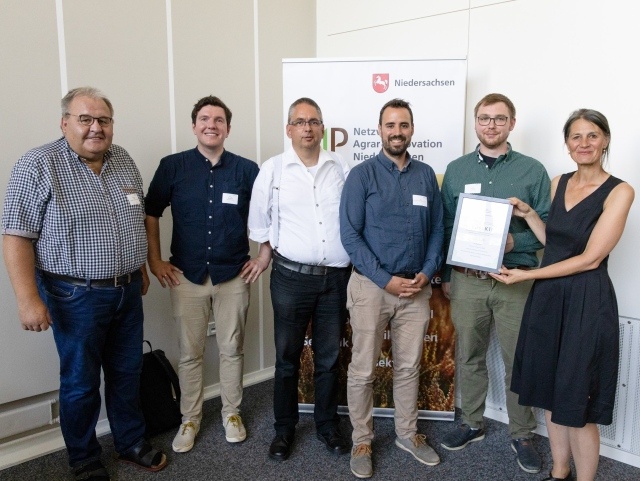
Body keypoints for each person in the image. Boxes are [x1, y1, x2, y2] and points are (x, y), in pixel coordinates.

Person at [2, 87, 167, 480]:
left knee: (128, 372)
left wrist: (139, 265)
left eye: (104, 120)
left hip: (127, 290)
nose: (96, 128)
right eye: (85, 119)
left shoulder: (123, 159)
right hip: (74, 295)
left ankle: (130, 442)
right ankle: (84, 456)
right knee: (80, 381)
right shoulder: (38, 166)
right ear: (64, 123)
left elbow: (135, 217)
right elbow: (15, 236)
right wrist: (27, 299)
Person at [491, 109, 634, 481]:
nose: (584, 143)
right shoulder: (558, 182)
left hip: (587, 300)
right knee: (551, 393)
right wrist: (529, 216)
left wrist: (528, 275)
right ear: (567, 144)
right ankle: (559, 471)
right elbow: (553, 243)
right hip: (549, 299)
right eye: (576, 137)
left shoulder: (620, 191)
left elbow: (590, 258)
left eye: (592, 136)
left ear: (605, 140)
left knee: (577, 400)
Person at [144, 95, 266, 453]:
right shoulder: (173, 167)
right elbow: (151, 212)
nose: (211, 125)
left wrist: (263, 256)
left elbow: (266, 215)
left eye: (218, 120)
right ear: (194, 125)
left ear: (228, 127)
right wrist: (155, 261)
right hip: (186, 277)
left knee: (232, 349)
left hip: (233, 276)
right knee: (190, 353)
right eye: (204, 119)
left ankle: (232, 413)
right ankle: (190, 419)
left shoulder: (247, 170)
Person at [440, 93, 550, 474]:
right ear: (475, 123)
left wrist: (513, 241)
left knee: (518, 359)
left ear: (512, 124)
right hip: (467, 281)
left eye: (499, 119)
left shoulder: (532, 171)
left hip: (513, 280)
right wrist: (445, 276)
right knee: (469, 354)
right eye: (484, 118)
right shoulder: (455, 170)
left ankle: (521, 433)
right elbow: (445, 226)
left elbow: (549, 230)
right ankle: (472, 423)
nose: (491, 125)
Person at [340, 98, 444, 479]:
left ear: (412, 129)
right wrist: (385, 279)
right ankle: (362, 439)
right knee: (363, 369)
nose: (397, 132)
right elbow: (350, 235)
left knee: (408, 366)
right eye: (390, 125)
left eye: (403, 125)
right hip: (372, 287)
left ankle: (406, 433)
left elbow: (437, 230)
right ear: (379, 130)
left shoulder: (426, 174)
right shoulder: (362, 175)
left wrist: (429, 271)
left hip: (416, 289)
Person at [248, 97, 352, 461]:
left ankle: (327, 426)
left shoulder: (340, 166)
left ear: (323, 129)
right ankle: (284, 429)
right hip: (291, 279)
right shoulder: (273, 170)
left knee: (328, 358)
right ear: (289, 129)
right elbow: (258, 220)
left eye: (314, 121)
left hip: (336, 280)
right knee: (287, 358)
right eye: (300, 121)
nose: (308, 128)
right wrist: (264, 251)